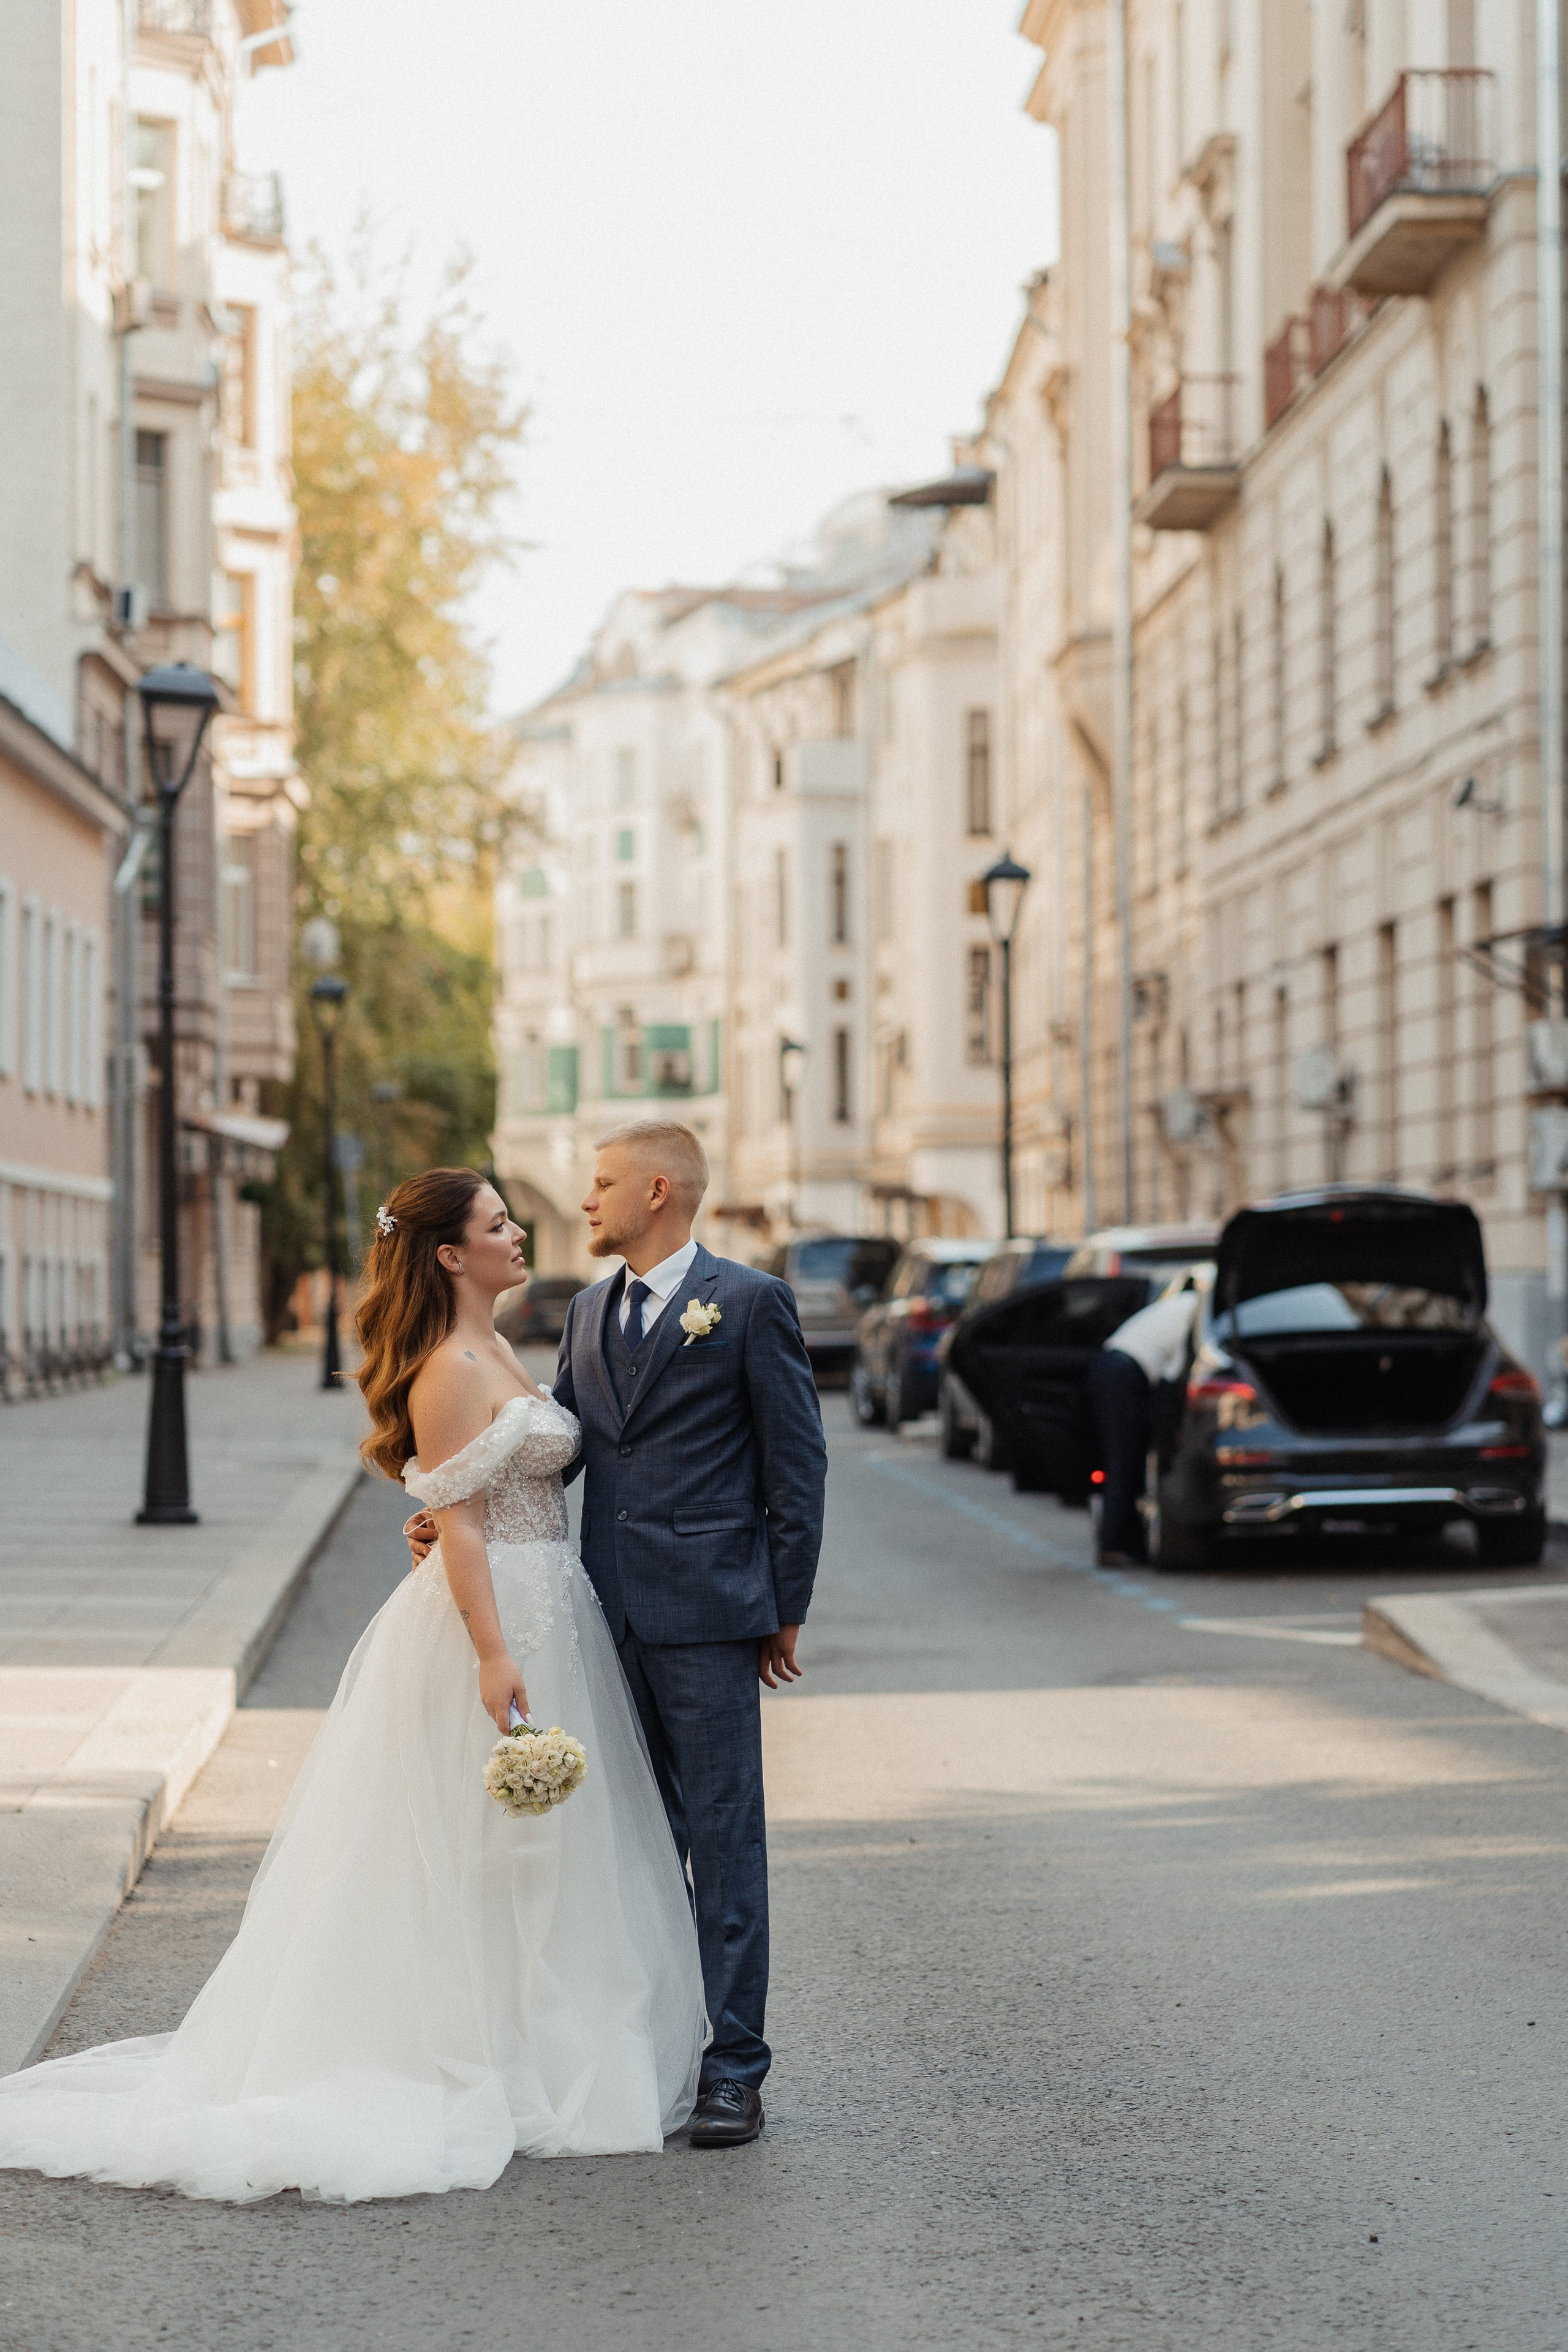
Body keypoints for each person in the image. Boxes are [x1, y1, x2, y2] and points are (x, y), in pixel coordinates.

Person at [0, 1167, 707, 2202]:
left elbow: (476, 1492)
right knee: (478, 1841)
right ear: (450, 1255)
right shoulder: (449, 1367)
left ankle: (536, 2038)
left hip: (552, 1600)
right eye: (498, 1224)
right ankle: (483, 2051)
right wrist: (493, 1651)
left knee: (541, 1843)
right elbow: (460, 1523)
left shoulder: (497, 1346)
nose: (519, 1236)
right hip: (501, 1616)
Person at [405, 1118, 827, 2149]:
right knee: (630, 1846)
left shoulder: (748, 1303)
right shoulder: (589, 1311)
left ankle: (735, 2070)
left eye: (601, 1185)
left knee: (724, 1841)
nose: (583, 1203)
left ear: (657, 1193)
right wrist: (453, 1506)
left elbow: (797, 1465)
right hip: (599, 1615)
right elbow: (566, 1450)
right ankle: (649, 2047)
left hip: (711, 1611)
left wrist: (782, 1605)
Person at [1087, 1280, 1202, 1566]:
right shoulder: (1198, 1314)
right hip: (1123, 1375)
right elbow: (1173, 1376)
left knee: (1124, 1461)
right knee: (1124, 1462)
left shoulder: (1181, 1303)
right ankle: (1112, 1544)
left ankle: (1127, 1543)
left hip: (1110, 1367)